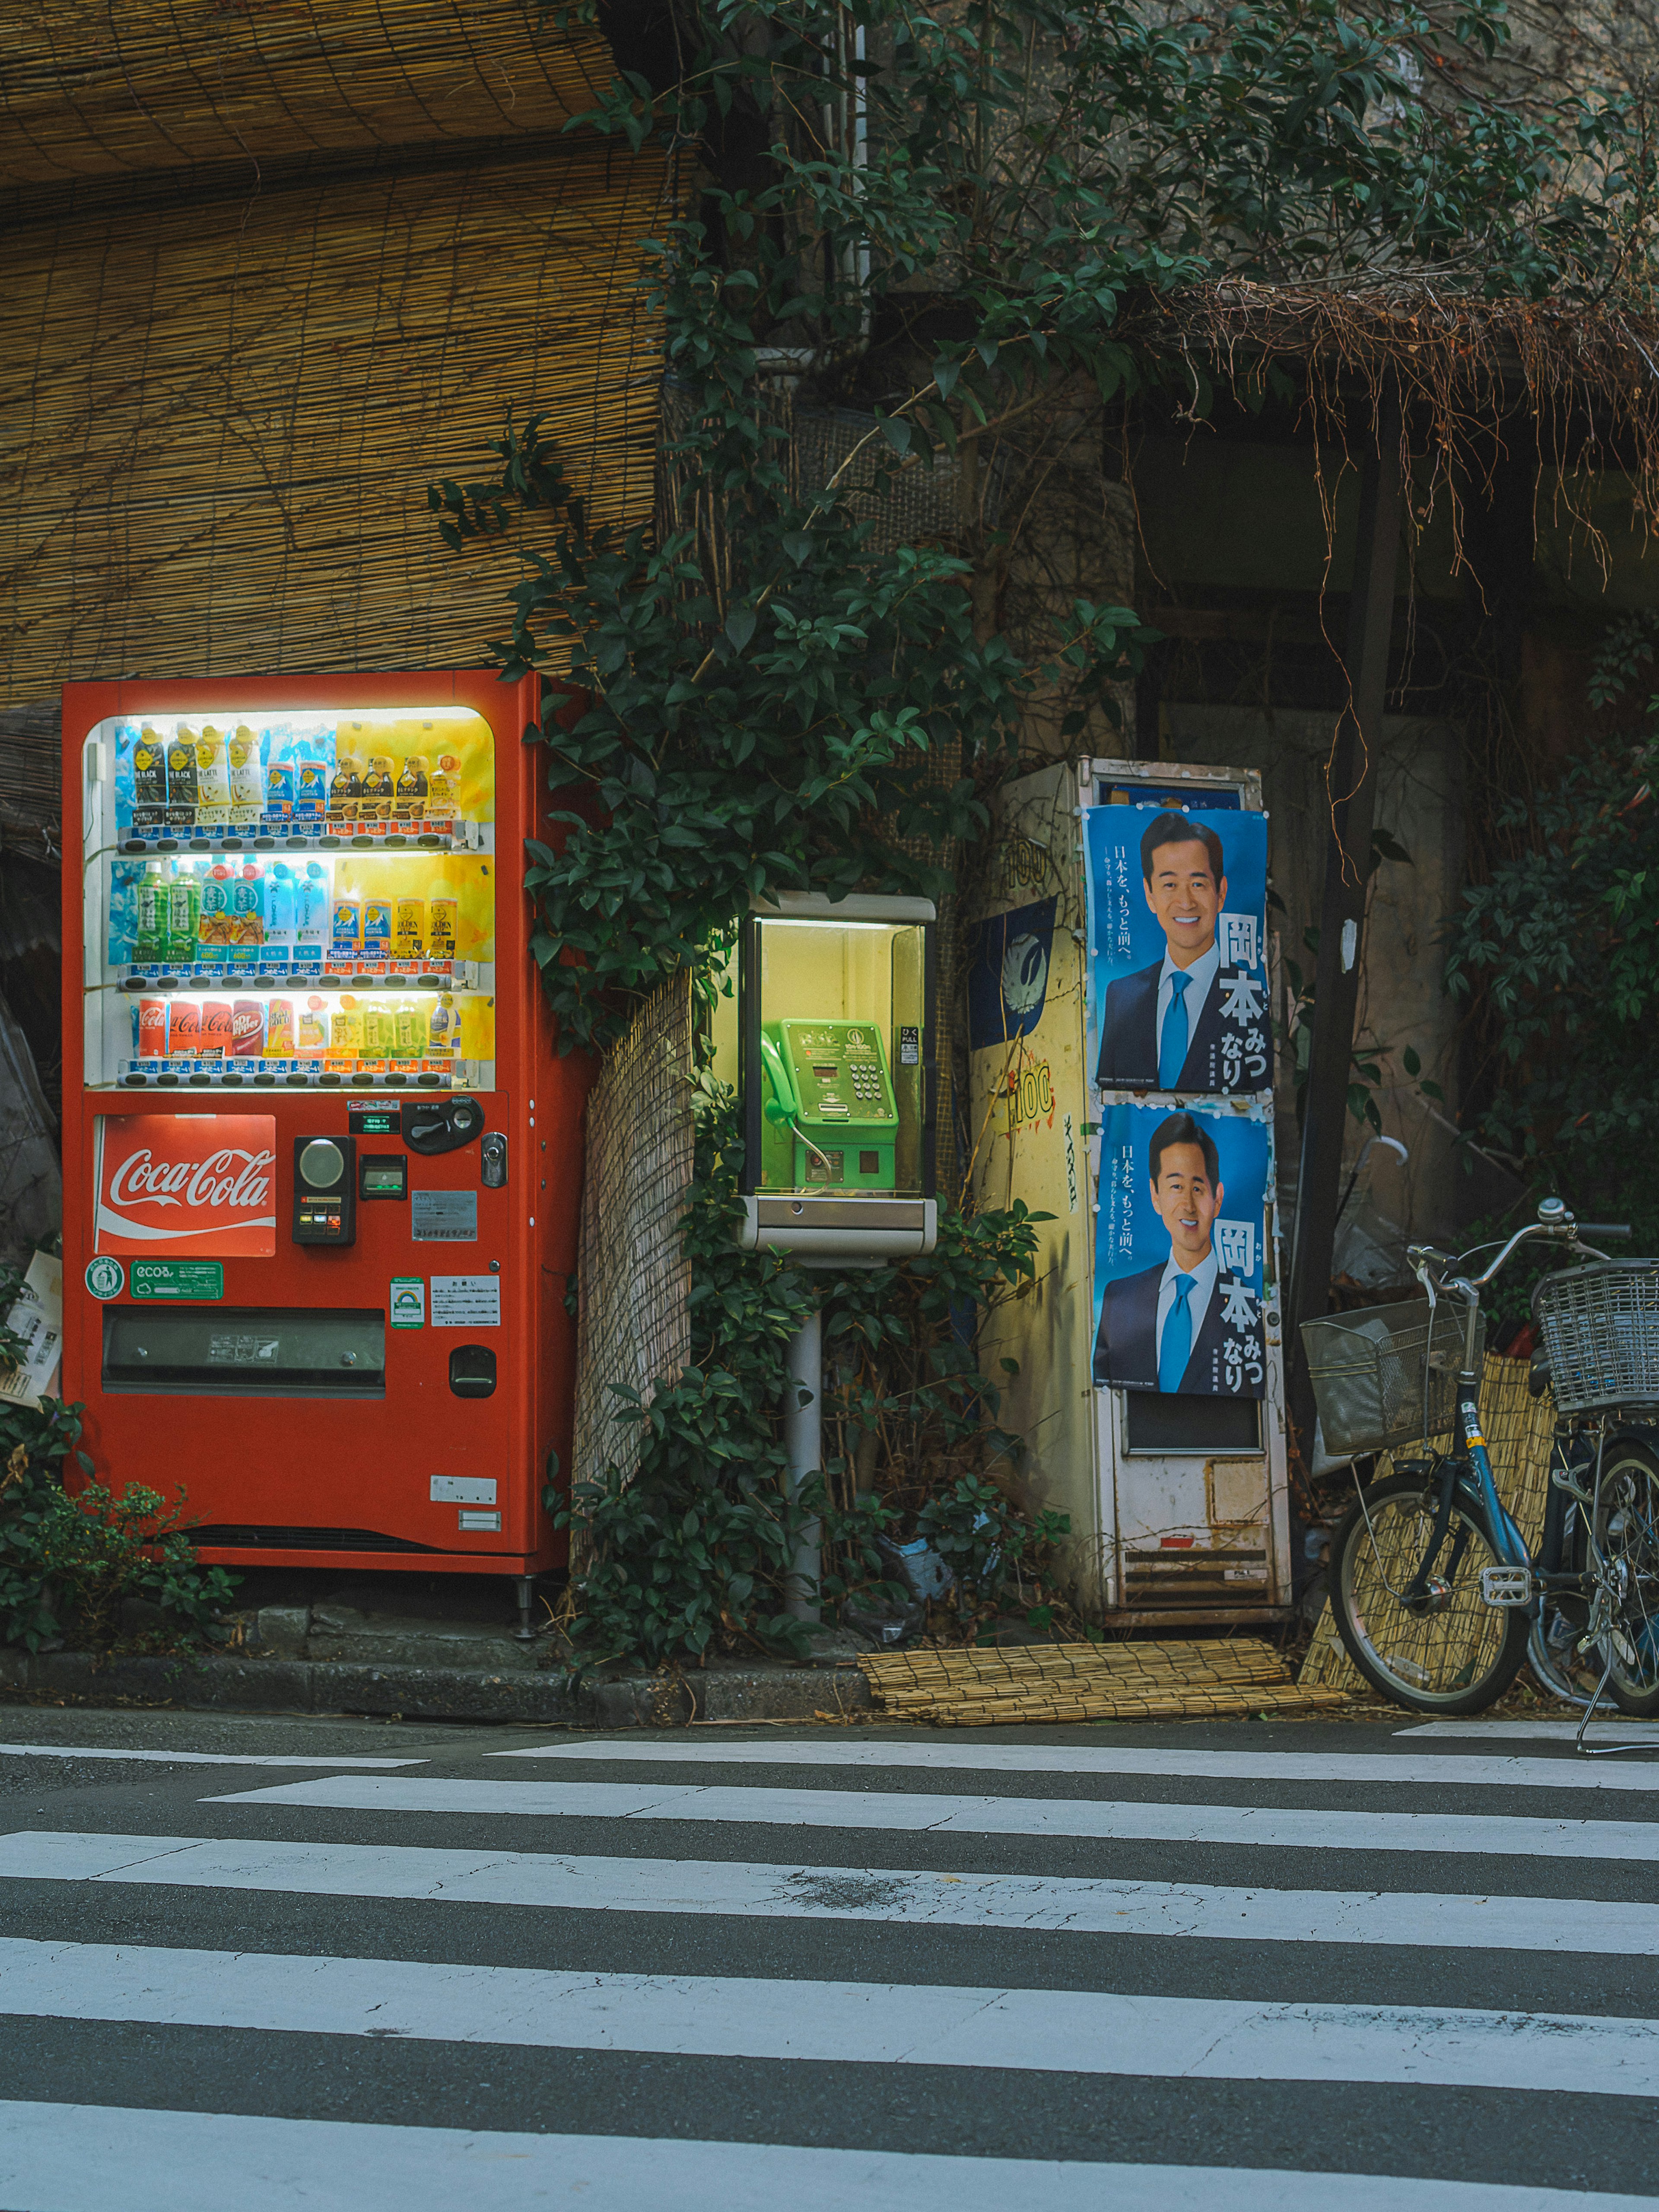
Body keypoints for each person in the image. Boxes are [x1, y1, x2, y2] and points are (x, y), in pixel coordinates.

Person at [1093, 1111, 1230, 1392]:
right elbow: (1106, 1394)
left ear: (1217, 1199)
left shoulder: (1244, 1303)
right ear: (1156, 1196)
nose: (1188, 1205)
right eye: (1177, 1186)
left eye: (1198, 1188)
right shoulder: (1119, 1300)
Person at [1096, 810, 1231, 1091]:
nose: (1185, 902)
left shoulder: (1246, 994)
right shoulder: (1122, 996)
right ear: (1150, 895)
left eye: (1198, 884)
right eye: (1170, 885)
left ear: (1221, 893)